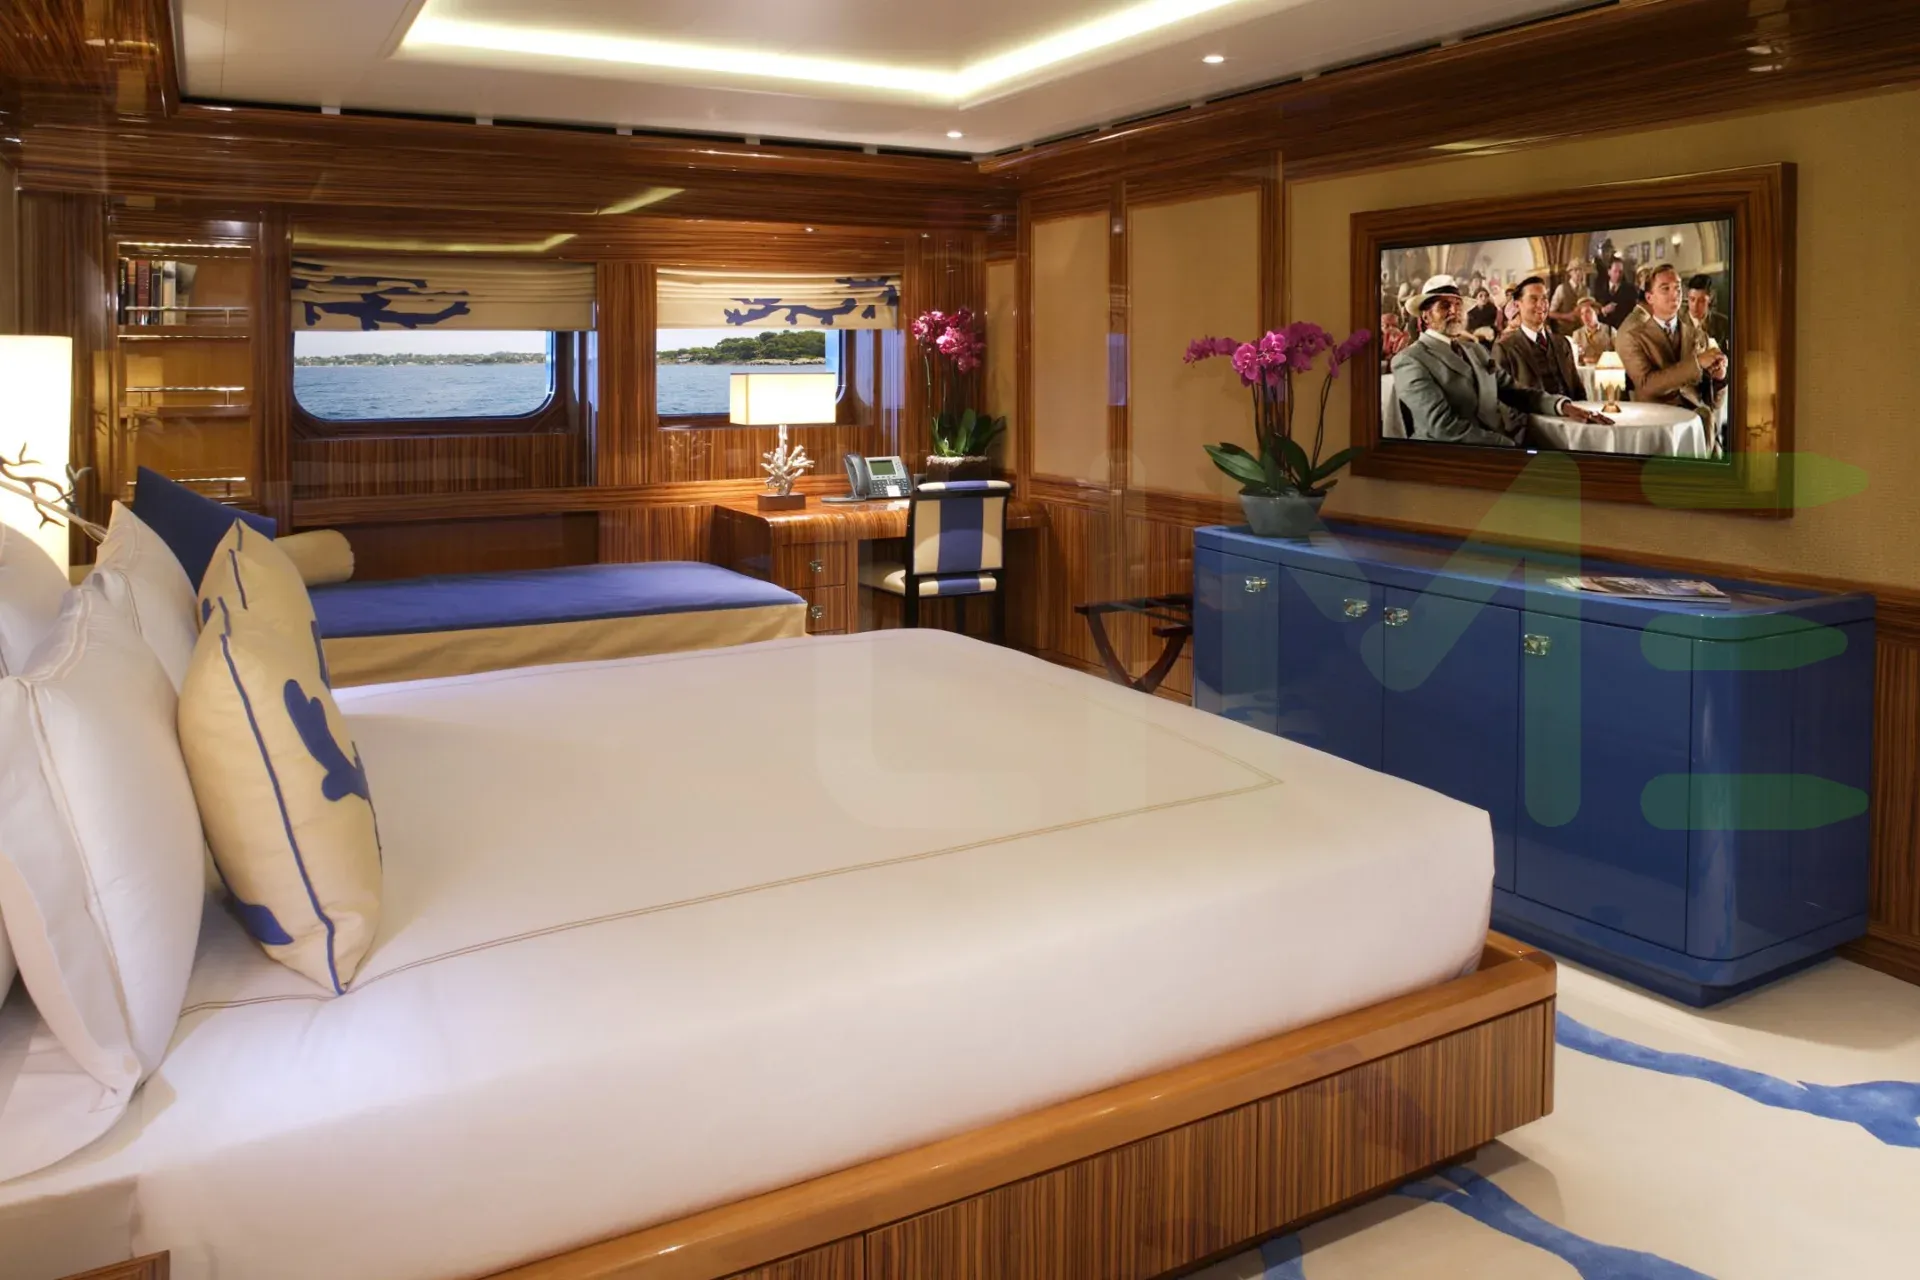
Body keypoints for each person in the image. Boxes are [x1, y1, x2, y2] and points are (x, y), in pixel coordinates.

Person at [1390, 275, 1610, 448]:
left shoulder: (1475, 350)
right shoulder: (1410, 360)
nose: (1454, 311)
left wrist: (1562, 406)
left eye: (1458, 304)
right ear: (1426, 316)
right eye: (1444, 306)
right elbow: (1443, 428)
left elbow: (1514, 391)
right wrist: (1506, 445)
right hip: (1450, 459)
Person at [1615, 263, 1728, 416]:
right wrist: (1697, 363)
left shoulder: (1699, 336)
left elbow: (1714, 403)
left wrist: (1719, 378)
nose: (1674, 294)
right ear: (1649, 297)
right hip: (1657, 420)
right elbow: (1647, 386)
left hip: (1695, 420)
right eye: (1665, 288)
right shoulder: (1634, 336)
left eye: (1678, 288)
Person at [1494, 276, 1583, 400]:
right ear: (1517, 305)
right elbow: (1502, 400)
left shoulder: (1562, 343)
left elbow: (1578, 391)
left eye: (1544, 298)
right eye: (1534, 299)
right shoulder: (1505, 348)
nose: (1541, 305)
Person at [1592, 256, 1640, 332]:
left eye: (1620, 272)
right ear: (1609, 272)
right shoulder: (1599, 288)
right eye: (1615, 271)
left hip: (1622, 329)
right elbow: (1593, 309)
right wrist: (1603, 311)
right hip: (1602, 330)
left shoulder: (1630, 290)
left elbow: (1633, 312)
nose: (1618, 274)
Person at [1686, 274, 1731, 349]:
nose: (1695, 305)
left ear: (1710, 298)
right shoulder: (1677, 323)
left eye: (1701, 301)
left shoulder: (1724, 324)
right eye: (1692, 299)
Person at [1548, 261, 1590, 332]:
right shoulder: (1561, 289)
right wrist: (1566, 316)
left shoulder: (1586, 290)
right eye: (1575, 270)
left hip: (1581, 331)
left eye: (1581, 270)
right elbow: (1550, 313)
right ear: (1570, 272)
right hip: (1564, 331)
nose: (1578, 273)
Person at [1569, 297, 1614, 364]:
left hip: (1606, 368)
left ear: (1596, 312)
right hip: (1585, 369)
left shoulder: (1609, 331)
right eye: (1582, 314)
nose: (1585, 316)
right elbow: (1574, 358)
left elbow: (1620, 353)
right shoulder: (1577, 334)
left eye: (1588, 312)